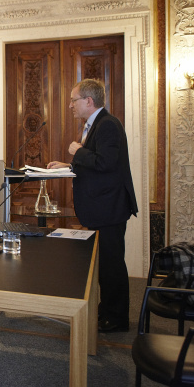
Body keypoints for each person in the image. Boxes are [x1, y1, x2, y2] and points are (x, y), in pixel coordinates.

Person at [48, 78, 138, 333]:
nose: (70, 106)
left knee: (112, 265)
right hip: (101, 207)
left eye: (73, 100)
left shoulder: (108, 124)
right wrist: (69, 165)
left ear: (89, 101)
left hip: (109, 208)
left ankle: (117, 319)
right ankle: (106, 310)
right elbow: (98, 163)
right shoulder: (96, 124)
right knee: (105, 265)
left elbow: (106, 163)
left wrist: (77, 152)